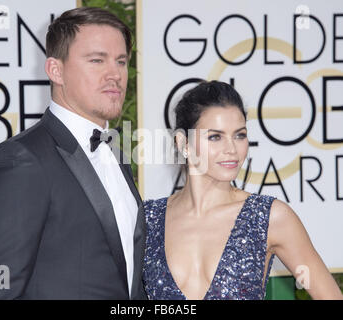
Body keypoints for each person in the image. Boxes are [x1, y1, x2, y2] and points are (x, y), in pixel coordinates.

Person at [0, 7, 146, 300]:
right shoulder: (19, 162)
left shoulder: (115, 154)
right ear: (55, 70)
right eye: (97, 60)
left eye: (121, 61)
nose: (115, 74)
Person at [143, 80, 343, 300]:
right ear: (183, 144)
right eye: (215, 137)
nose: (231, 149)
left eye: (239, 135)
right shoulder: (149, 219)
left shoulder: (269, 217)